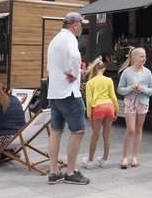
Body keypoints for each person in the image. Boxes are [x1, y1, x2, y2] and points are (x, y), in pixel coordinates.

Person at [46, 12, 90, 185]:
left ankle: (53, 171)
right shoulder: (71, 39)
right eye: (82, 24)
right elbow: (75, 56)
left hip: (54, 91)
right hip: (69, 92)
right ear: (75, 25)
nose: (82, 28)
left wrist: (71, 71)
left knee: (56, 131)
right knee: (78, 130)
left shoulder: (56, 39)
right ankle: (71, 171)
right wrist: (74, 72)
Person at [117, 47, 152, 169]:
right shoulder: (126, 72)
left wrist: (143, 89)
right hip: (130, 103)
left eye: (145, 56)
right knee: (131, 129)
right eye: (141, 56)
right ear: (133, 58)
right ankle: (124, 157)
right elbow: (120, 89)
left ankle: (134, 157)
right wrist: (131, 88)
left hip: (143, 102)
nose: (144, 58)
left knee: (139, 129)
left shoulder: (148, 72)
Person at [81, 57, 118, 169]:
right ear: (104, 68)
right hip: (109, 107)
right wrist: (116, 110)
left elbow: (89, 101)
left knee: (95, 135)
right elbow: (113, 97)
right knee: (106, 135)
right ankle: (105, 160)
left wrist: (89, 115)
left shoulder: (90, 83)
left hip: (98, 108)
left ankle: (90, 161)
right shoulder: (109, 80)